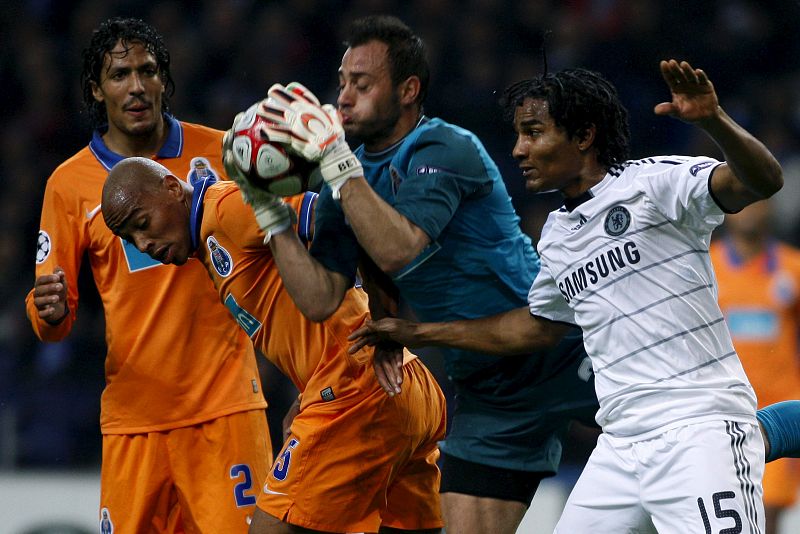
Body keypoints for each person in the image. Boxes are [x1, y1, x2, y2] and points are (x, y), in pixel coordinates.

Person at [346, 59, 787, 532]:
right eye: (518, 135)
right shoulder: (557, 235)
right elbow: (535, 325)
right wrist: (416, 332)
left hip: (699, 428)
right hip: (621, 445)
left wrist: (712, 121)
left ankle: (774, 430)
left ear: (583, 136)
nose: (518, 150)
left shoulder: (655, 185)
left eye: (533, 132)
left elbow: (761, 181)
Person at [241, 15, 600, 534]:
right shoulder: (349, 179)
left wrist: (339, 164)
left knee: (687, 440)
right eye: (342, 84)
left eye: (362, 85)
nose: (343, 99)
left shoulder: (444, 147)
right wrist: (269, 212)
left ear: (408, 90)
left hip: (557, 348)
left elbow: (399, 249)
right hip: (485, 388)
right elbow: (320, 298)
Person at [101, 155, 447, 534]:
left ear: (171, 188)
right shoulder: (211, 239)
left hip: (356, 392)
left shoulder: (226, 207)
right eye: (131, 239)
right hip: (405, 388)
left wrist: (387, 325)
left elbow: (347, 217)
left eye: (143, 223)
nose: (144, 243)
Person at [25, 18, 271, 532]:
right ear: (97, 88)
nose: (136, 86)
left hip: (226, 411)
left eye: (147, 71)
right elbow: (55, 321)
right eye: (119, 75)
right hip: (134, 423)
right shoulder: (68, 185)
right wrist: (44, 311)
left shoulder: (223, 153)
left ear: (163, 79)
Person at [710, 200, 800, 534]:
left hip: (781, 411)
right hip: (723, 411)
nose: (749, 211)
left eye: (757, 204)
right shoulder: (706, 266)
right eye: (741, 203)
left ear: (770, 210)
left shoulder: (792, 267)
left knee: (768, 514)